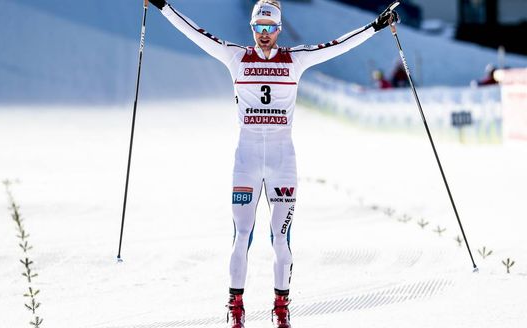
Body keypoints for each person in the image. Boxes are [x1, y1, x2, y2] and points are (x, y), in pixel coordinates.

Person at [146, 0, 398, 327]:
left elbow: (339, 45)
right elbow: (195, 33)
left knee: (281, 238)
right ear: (252, 29)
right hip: (247, 159)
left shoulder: (296, 59)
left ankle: (281, 308)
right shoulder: (235, 56)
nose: (264, 35)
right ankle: (235, 307)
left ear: (278, 29)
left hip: (282, 160)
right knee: (241, 236)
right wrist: (162, 6)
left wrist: (375, 26)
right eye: (258, 28)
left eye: (270, 28)